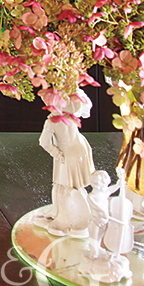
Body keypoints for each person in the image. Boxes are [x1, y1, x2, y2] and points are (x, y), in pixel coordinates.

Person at [36, 90, 95, 237]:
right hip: (81, 150)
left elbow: (44, 142)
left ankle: (67, 216)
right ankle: (63, 213)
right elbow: (87, 107)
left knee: (63, 186)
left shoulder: (52, 121)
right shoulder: (73, 115)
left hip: (67, 154)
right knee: (72, 184)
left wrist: (56, 153)